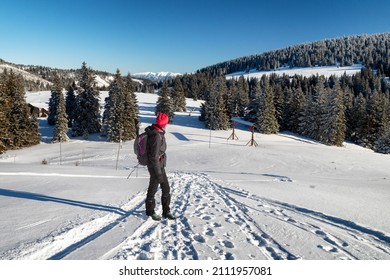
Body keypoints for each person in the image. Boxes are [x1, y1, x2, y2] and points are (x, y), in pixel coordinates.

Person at [144, 112, 176, 221]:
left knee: (166, 188)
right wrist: (157, 173)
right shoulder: (156, 136)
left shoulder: (158, 132)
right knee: (153, 189)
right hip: (155, 167)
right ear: (164, 123)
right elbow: (153, 156)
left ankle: (166, 211)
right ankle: (150, 211)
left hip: (160, 165)